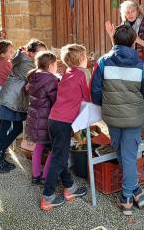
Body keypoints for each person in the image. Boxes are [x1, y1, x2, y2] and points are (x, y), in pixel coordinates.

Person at [91, 25, 144, 215]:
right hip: (133, 116)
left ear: (115, 40)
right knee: (127, 154)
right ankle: (129, 195)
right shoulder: (140, 65)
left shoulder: (104, 61)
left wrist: (106, 102)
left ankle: (132, 192)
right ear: (134, 41)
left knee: (120, 150)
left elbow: (94, 90)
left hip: (111, 115)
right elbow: (143, 92)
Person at [40, 44, 89, 211]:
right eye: (86, 57)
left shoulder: (66, 73)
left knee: (59, 155)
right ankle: (48, 196)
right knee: (59, 158)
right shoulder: (81, 75)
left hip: (53, 120)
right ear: (82, 60)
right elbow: (88, 96)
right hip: (63, 123)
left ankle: (70, 188)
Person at [0, 39, 47, 173]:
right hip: (11, 98)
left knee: (15, 128)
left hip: (14, 98)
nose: (42, 56)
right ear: (31, 52)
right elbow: (37, 79)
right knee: (7, 126)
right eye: (40, 53)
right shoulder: (25, 64)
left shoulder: (27, 61)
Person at [106, 0, 144, 139]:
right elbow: (117, 47)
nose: (130, 15)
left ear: (137, 11)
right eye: (127, 12)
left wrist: (137, 39)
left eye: (132, 11)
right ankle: (132, 125)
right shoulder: (122, 27)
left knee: (143, 96)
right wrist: (112, 35)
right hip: (127, 66)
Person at [25, 51, 58, 185]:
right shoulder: (51, 79)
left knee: (38, 147)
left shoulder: (33, 76)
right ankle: (45, 177)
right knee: (54, 148)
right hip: (46, 119)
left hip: (34, 118)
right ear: (50, 65)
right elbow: (55, 99)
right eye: (56, 63)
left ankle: (35, 176)